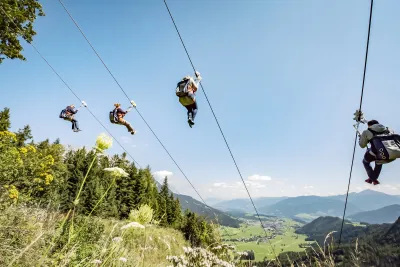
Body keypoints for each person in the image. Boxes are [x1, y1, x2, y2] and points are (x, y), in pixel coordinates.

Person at [358, 119, 400, 185]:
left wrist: (361, 138)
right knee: (379, 162)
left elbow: (362, 145)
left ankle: (373, 179)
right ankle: (372, 178)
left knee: (365, 162)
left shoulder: (367, 131)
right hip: (393, 154)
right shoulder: (388, 130)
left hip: (380, 154)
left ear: (369, 126)